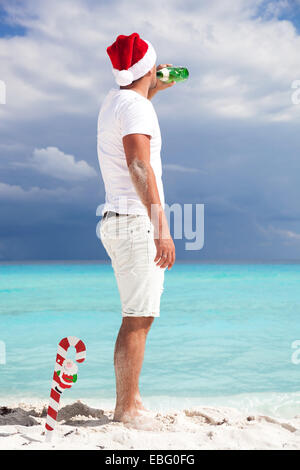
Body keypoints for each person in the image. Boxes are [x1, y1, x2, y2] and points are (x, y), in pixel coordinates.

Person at [97, 32, 176, 424]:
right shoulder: (136, 109)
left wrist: (154, 89)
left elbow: (136, 106)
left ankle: (131, 399)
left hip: (118, 220)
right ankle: (126, 408)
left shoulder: (118, 101)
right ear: (148, 68)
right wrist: (161, 227)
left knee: (137, 314)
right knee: (138, 317)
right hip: (134, 223)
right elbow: (139, 167)